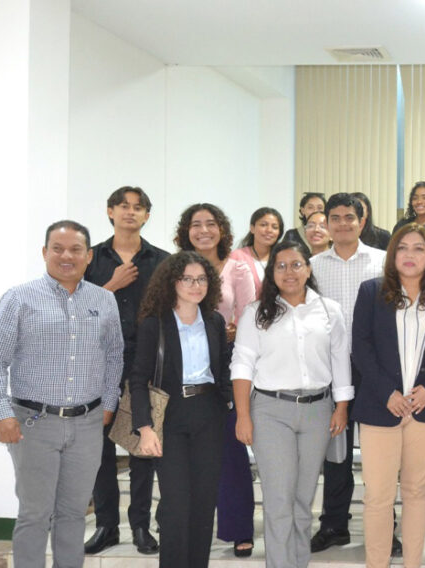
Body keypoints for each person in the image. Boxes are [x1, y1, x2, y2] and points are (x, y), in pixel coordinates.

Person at [0, 220, 124, 568]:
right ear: (44, 252)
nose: (66, 256)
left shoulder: (104, 300)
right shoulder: (19, 298)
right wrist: (1, 412)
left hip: (87, 423)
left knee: (74, 513)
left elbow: (114, 354)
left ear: (88, 256)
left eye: (76, 249)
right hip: (32, 423)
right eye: (57, 248)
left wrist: (108, 404)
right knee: (34, 513)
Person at [233, 240, 354, 568]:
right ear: (272, 272)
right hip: (271, 411)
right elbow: (242, 365)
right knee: (279, 500)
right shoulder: (256, 312)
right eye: (281, 265)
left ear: (309, 268)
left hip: (319, 410)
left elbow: (340, 359)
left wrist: (341, 407)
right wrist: (243, 415)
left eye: (296, 264)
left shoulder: (330, 310)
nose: (289, 272)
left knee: (303, 501)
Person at [353, 225, 425, 568]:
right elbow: (361, 348)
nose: (410, 255)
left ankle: (413, 563)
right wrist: (387, 392)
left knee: (416, 491)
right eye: (403, 248)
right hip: (380, 407)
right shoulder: (371, 291)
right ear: (392, 254)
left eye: (419, 249)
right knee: (379, 496)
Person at [130, 252, 233, 568]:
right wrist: (144, 427)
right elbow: (137, 379)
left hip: (209, 416)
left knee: (203, 505)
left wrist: (235, 407)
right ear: (172, 282)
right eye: (187, 278)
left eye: (201, 278)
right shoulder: (154, 324)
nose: (195, 285)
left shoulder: (214, 321)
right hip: (170, 417)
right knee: (176, 505)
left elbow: (223, 372)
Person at [83, 186, 168, 556]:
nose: (130, 213)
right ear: (110, 212)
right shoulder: (90, 258)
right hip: (96, 364)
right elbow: (73, 308)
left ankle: (140, 526)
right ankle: (106, 526)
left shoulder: (162, 260)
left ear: (147, 215)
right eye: (123, 206)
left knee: (141, 448)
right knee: (98, 448)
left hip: (144, 365)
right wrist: (110, 287)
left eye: (138, 208)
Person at [173, 203, 258, 556]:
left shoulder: (237, 268)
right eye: (196, 224)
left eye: (211, 224)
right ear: (185, 231)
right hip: (183, 372)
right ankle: (188, 527)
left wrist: (231, 332)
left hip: (226, 367)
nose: (203, 230)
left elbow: (251, 314)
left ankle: (239, 528)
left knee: (231, 452)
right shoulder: (174, 267)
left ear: (222, 230)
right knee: (186, 457)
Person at [310, 193, 390, 553]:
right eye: (335, 217)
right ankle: (334, 525)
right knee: (336, 453)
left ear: (362, 220)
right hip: (327, 371)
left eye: (349, 217)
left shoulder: (383, 261)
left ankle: (386, 527)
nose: (342, 223)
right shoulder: (310, 265)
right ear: (325, 223)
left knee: (381, 454)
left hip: (375, 370)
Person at [230, 207, 285, 292]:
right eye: (263, 225)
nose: (269, 230)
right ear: (252, 228)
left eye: (274, 227)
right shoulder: (236, 257)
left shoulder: (282, 258)